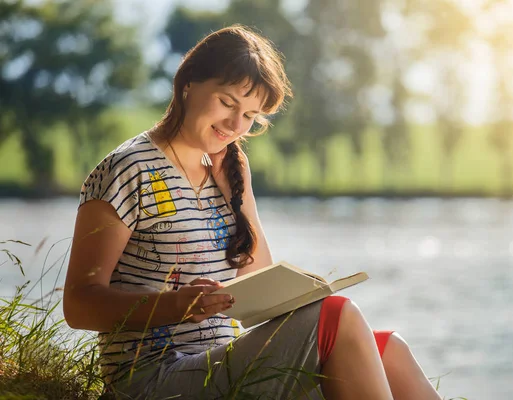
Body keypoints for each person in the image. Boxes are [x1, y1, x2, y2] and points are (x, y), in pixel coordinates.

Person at [63, 24, 442, 400]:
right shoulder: (130, 169)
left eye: (250, 115)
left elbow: (256, 278)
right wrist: (177, 306)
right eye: (228, 103)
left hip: (220, 363)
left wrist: (237, 198)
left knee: (389, 350)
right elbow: (79, 305)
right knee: (336, 316)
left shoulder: (227, 168)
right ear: (188, 83)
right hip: (153, 379)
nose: (235, 125)